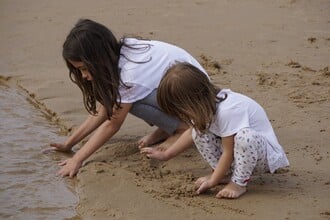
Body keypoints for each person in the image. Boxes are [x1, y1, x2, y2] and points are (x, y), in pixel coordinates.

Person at [50, 19, 207, 177]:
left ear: (99, 59)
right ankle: (169, 128)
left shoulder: (129, 75)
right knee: (122, 99)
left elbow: (112, 124)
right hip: (186, 96)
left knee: (129, 101)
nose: (83, 76)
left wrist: (77, 160)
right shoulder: (122, 50)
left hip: (196, 103)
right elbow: (104, 109)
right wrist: (68, 144)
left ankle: (182, 128)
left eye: (84, 69)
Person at [141, 62, 289, 199]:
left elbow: (228, 151)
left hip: (263, 157)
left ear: (193, 101)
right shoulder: (204, 108)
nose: (180, 116)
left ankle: (238, 183)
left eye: (180, 110)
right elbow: (190, 133)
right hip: (240, 156)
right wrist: (166, 154)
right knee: (197, 132)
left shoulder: (228, 110)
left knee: (245, 137)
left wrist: (212, 182)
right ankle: (225, 174)